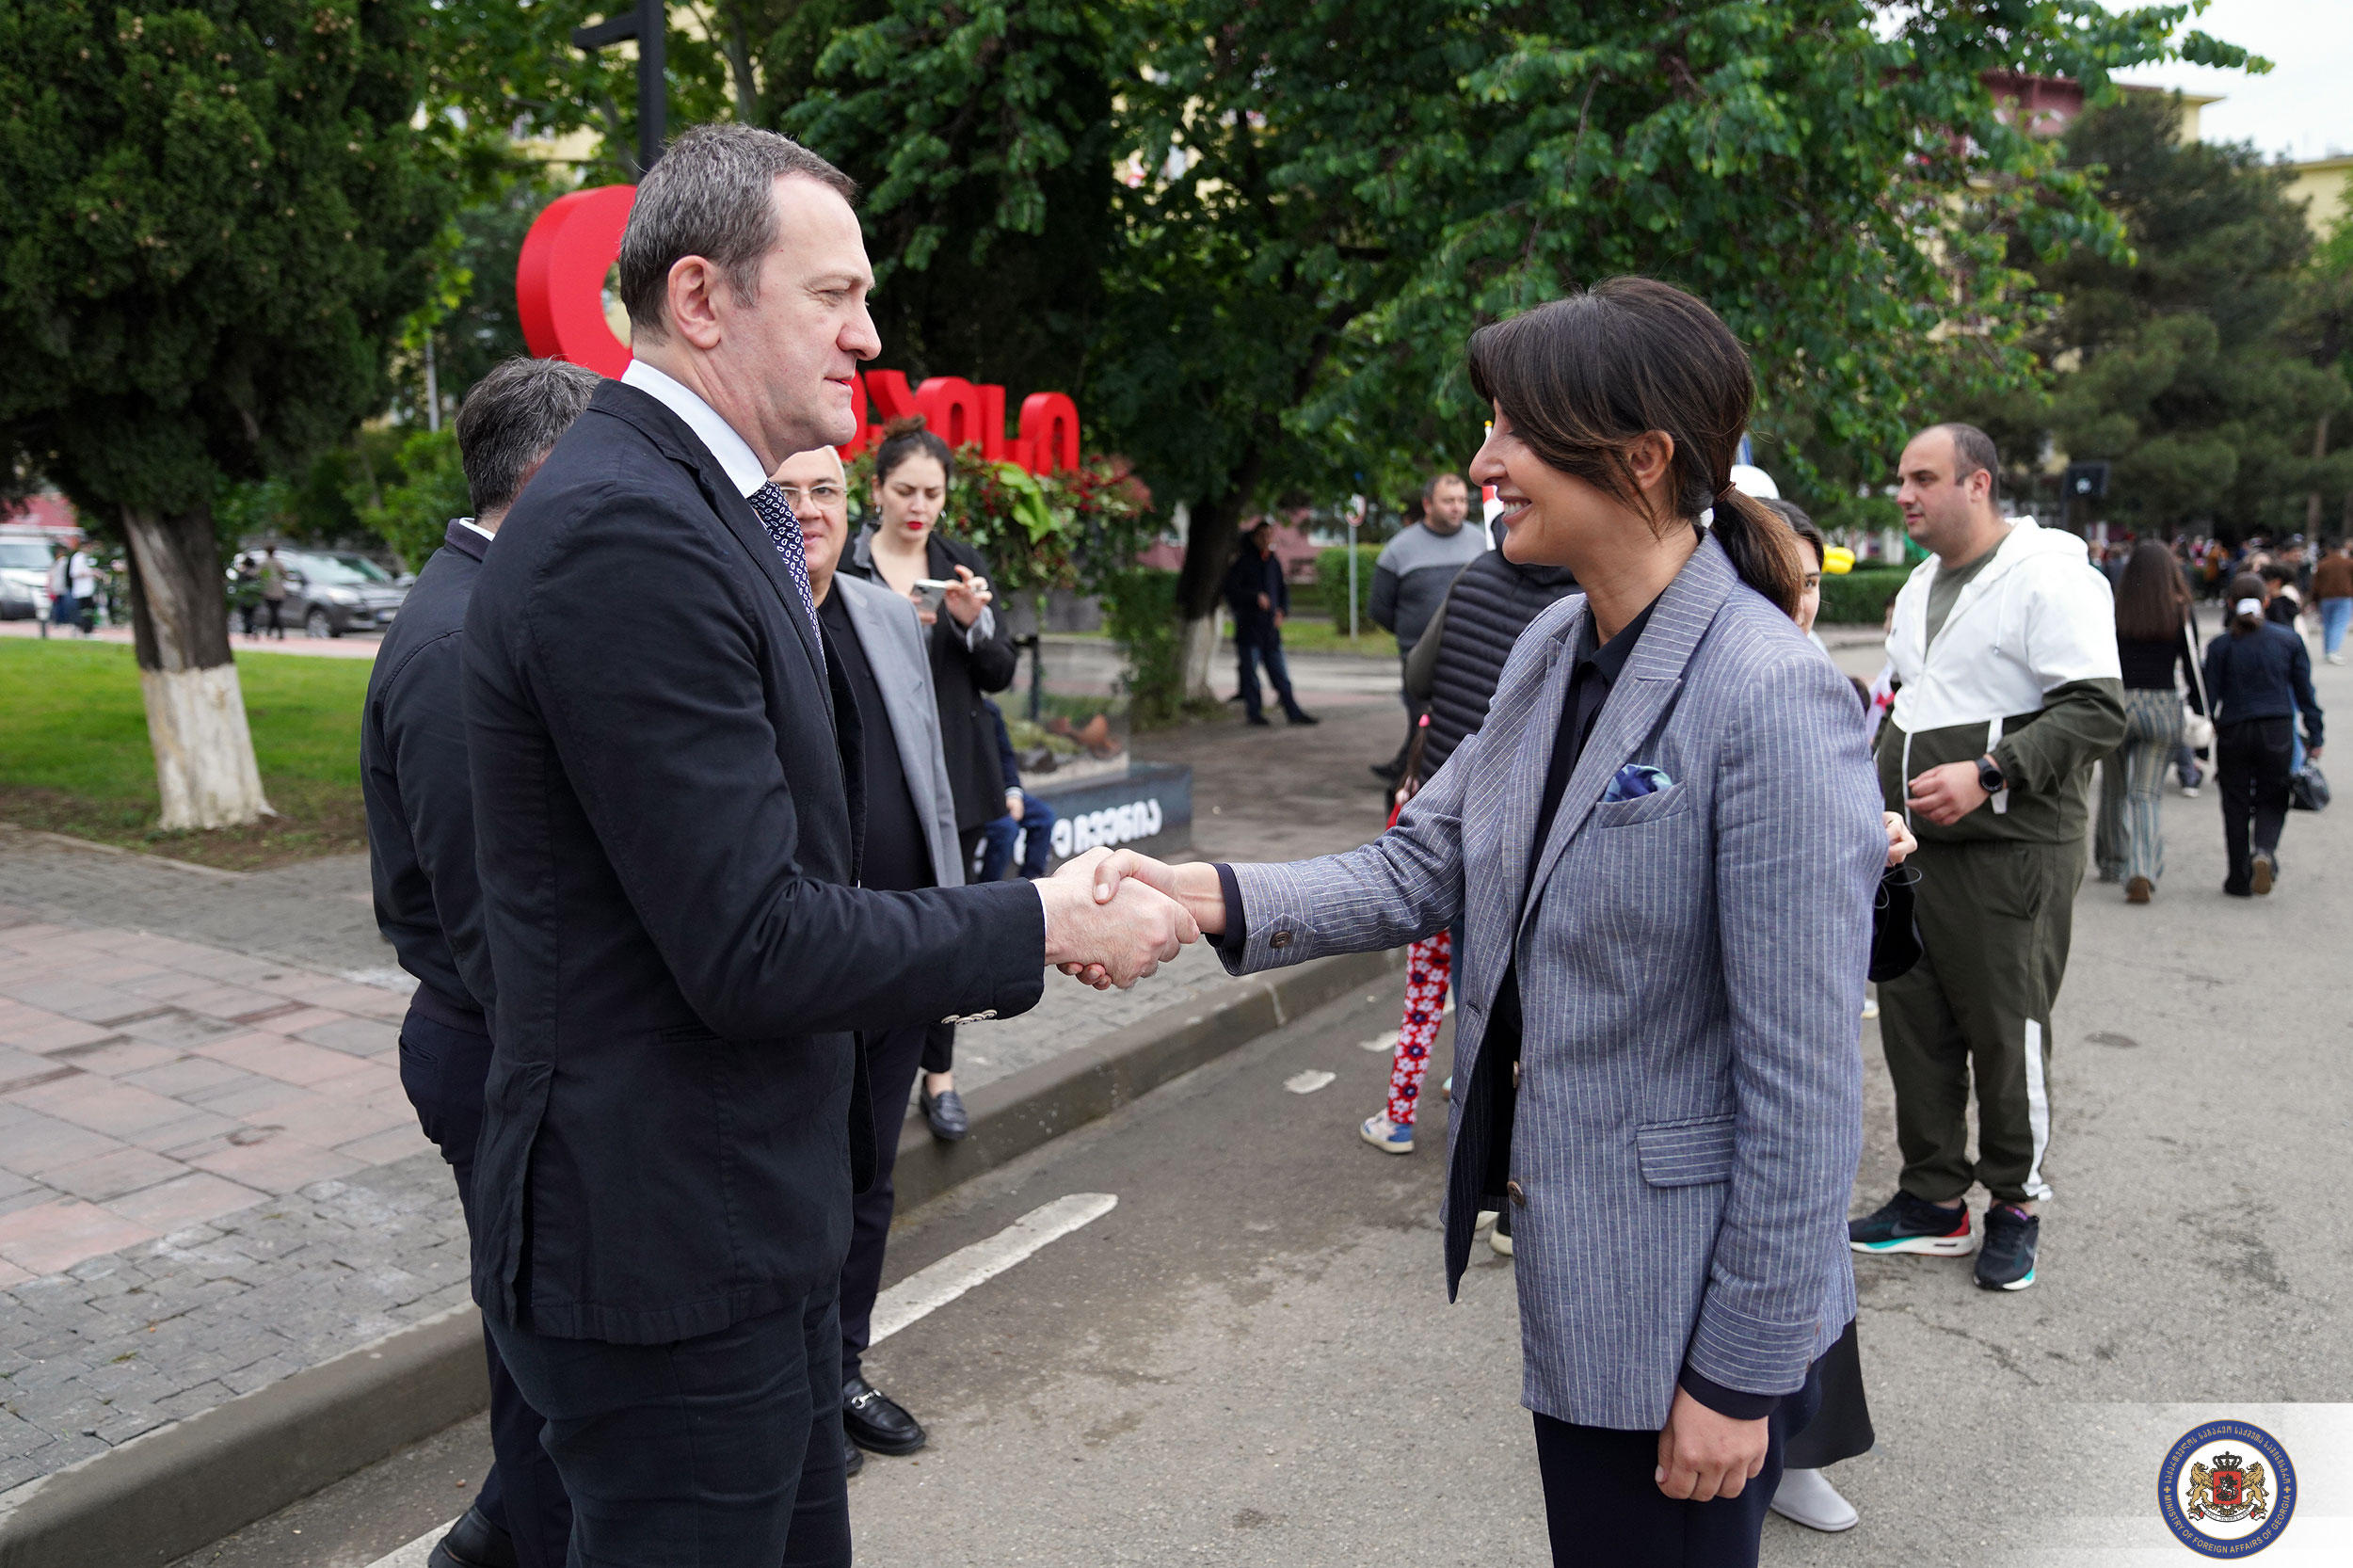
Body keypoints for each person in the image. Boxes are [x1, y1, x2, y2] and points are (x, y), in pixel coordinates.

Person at [459, 124, 1195, 1568]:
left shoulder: (702, 510)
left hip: (743, 1228)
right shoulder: (629, 531)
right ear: (700, 298)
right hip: (671, 1247)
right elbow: (752, 940)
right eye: (836, 294)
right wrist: (1037, 917)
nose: (870, 334)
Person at [1077, 278, 1885, 1568]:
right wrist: (1202, 895)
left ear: (1641, 457)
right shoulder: (1555, 641)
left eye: (1513, 428)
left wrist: (1740, 1374)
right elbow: (1421, 865)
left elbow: (1804, 1084)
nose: (1481, 461)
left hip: (1682, 1307)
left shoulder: (1770, 696)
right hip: (1584, 1274)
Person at [361, 355, 600, 1568]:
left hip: (503, 1034)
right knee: (549, 1351)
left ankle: (498, 1529)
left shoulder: (485, 604)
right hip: (499, 1042)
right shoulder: (461, 641)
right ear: (549, 476)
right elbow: (493, 918)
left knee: (536, 1337)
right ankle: (527, 1536)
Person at [1849, 424, 2124, 1294]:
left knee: (2007, 1034)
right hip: (1916, 852)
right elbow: (1908, 709)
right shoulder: (1925, 582)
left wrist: (1991, 773)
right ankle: (1933, 1199)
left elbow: (2097, 712)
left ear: (1979, 484)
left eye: (1923, 477)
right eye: (1900, 477)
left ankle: (2015, 1204)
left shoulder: (2050, 573)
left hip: (2011, 852)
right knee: (1915, 1027)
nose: (1904, 493)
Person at [775, 440, 965, 1477]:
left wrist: (943, 941)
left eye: (826, 492)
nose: (810, 510)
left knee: (868, 1176)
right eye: (787, 491)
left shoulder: (888, 614)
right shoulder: (741, 611)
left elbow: (928, 780)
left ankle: (840, 1366)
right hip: (795, 971)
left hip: (894, 959)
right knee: (797, 1186)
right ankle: (796, 1393)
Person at [1357, 523, 1577, 1157]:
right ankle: (1502, 1162)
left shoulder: (1472, 575)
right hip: (1523, 822)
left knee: (1435, 979)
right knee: (1505, 989)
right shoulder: (1584, 606)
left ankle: (1414, 1115)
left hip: (1441, 807)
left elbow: (1419, 675)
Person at [846, 418, 1018, 1139]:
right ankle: (864, 1067)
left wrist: (972, 622)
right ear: (877, 490)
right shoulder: (846, 564)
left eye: (933, 493)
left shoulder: (959, 564)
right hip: (877, 787)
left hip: (958, 781)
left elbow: (1000, 674)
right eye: (906, 490)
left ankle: (939, 1074)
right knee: (879, 932)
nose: (919, 506)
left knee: (953, 932)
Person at [2094, 541, 2202, 904]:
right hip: (2161, 706)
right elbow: (2191, 666)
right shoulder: (2180, 610)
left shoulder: (2113, 608)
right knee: (2145, 793)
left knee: (2114, 789)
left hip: (2116, 705)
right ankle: (2141, 868)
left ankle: (2112, 861)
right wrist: (2202, 712)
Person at [2204, 572, 2324, 897]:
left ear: (2229, 604)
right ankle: (2265, 851)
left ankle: (2237, 877)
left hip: (2233, 729)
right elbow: (2304, 691)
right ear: (2267, 602)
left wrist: (2206, 735)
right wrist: (2316, 733)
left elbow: (2207, 698)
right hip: (2277, 728)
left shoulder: (2220, 646)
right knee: (2274, 795)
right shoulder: (2288, 640)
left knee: (2235, 803)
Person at [1369, 472, 1488, 781]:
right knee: (1422, 720)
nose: (1457, 508)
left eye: (1462, 500)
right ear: (1427, 504)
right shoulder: (1399, 549)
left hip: (1473, 656)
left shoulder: (1481, 542)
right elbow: (1380, 608)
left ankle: (1412, 772)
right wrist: (1412, 636)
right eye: (1448, 501)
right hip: (1419, 658)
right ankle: (1412, 781)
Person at [1221, 519, 1317, 726]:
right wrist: (1254, 597)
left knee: (1280, 673)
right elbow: (1231, 590)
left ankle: (1293, 712)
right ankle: (1254, 713)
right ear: (1255, 538)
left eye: (1269, 535)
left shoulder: (1273, 562)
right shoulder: (1244, 562)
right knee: (1250, 673)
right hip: (1250, 627)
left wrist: (1282, 610)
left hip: (1270, 629)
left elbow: (1282, 591)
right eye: (1262, 536)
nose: (1266, 540)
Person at [977, 698, 1060, 882]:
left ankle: (1033, 882)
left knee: (1043, 817)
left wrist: (1013, 792)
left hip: (997, 791)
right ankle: (987, 892)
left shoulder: (990, 710)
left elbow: (1006, 756)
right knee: (1006, 829)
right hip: (973, 799)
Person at [2313, 539, 2352, 664]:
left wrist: (2314, 600)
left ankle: (2328, 650)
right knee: (2339, 625)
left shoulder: (2322, 564)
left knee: (2328, 625)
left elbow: (2316, 585)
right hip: (2344, 597)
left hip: (2326, 598)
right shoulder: (2348, 563)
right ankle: (2333, 651)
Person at [40, 543, 76, 638]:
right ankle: (58, 621)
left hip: (59, 586)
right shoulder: (59, 562)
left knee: (59, 605)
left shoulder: (61, 562)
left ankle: (59, 621)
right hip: (58, 587)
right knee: (58, 605)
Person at [258, 545, 288, 639]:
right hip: (279, 591)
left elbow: (257, 573)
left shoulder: (264, 563)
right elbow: (285, 574)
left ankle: (276, 630)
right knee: (274, 611)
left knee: (273, 612)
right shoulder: (278, 563)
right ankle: (271, 631)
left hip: (269, 590)